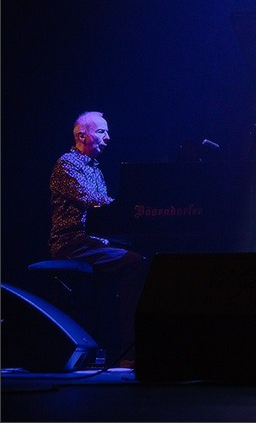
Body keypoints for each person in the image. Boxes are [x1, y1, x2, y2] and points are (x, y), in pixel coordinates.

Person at [49, 111, 147, 367]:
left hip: (92, 243)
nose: (108, 137)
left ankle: (117, 345)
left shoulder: (95, 169)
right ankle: (128, 352)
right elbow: (94, 202)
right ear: (82, 135)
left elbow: (106, 215)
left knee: (142, 255)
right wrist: (131, 207)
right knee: (134, 263)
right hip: (72, 244)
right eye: (102, 131)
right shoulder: (67, 164)